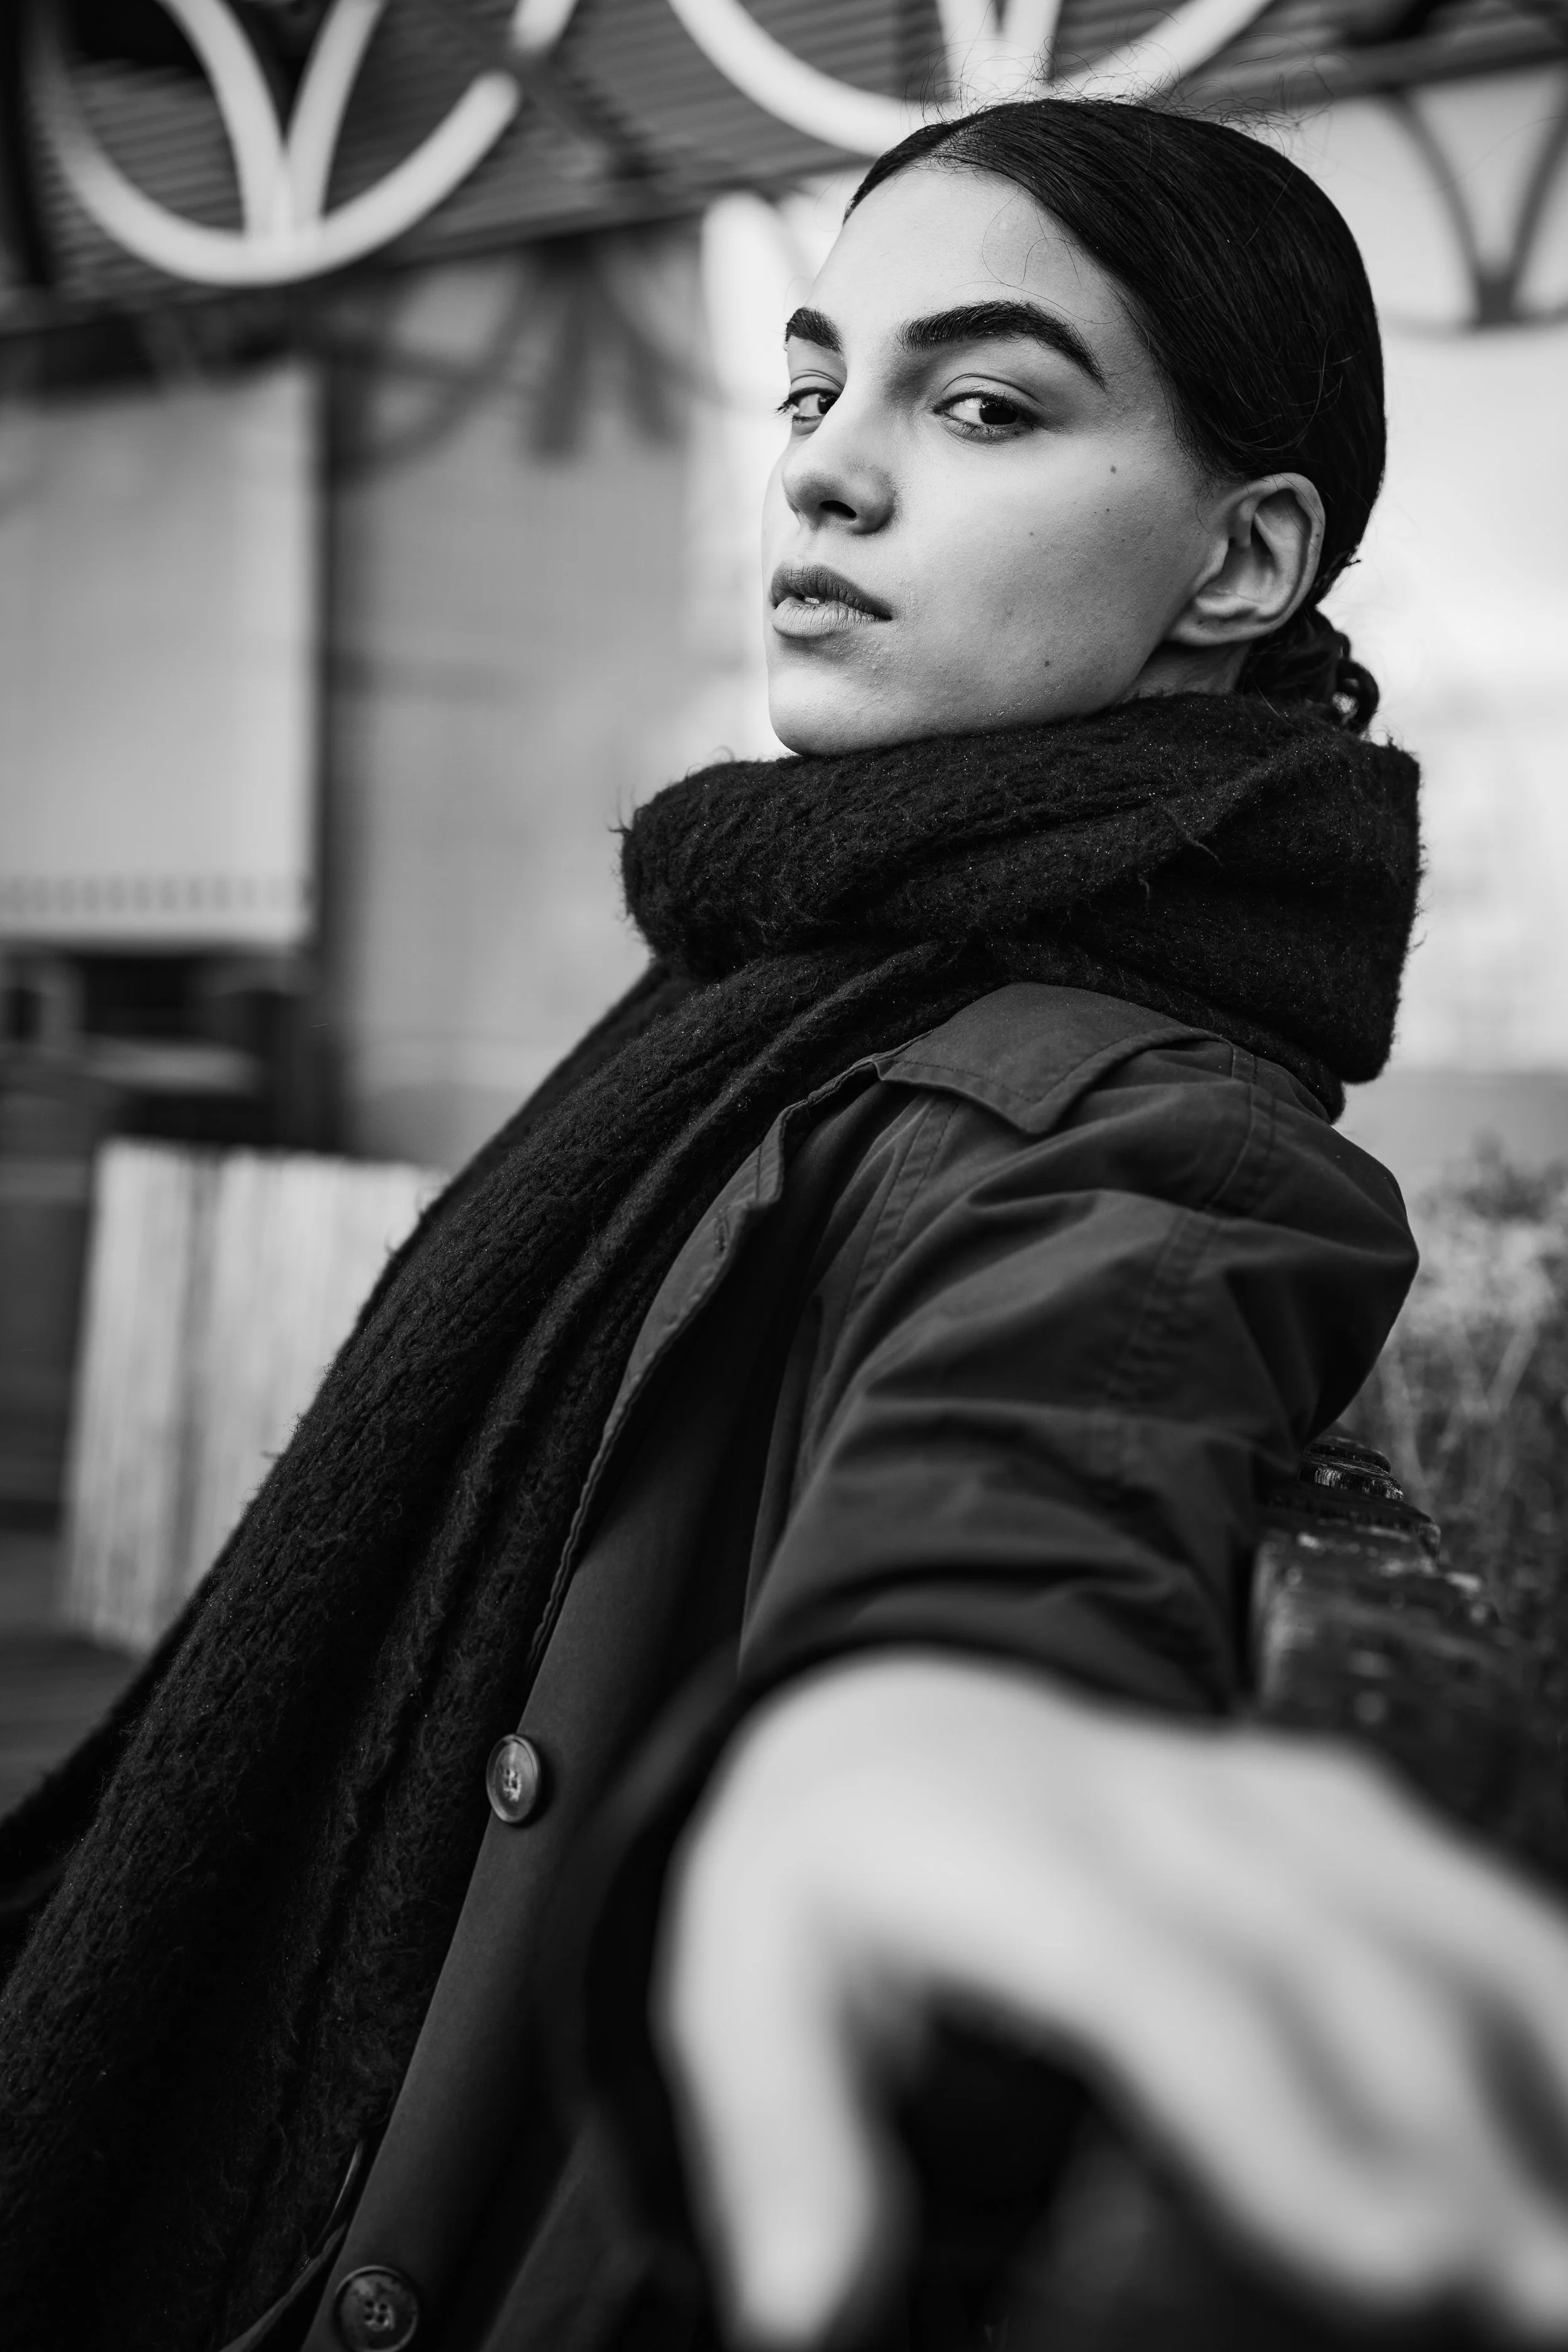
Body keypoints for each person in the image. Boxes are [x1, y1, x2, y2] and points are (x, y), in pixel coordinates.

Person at [3, 93, 1565, 2352]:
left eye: (987, 401)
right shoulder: (776, 970)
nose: (828, 468)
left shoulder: (1131, 1106)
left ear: (1239, 564)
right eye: (817, 384)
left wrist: (918, 1736)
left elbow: (1045, 1435)